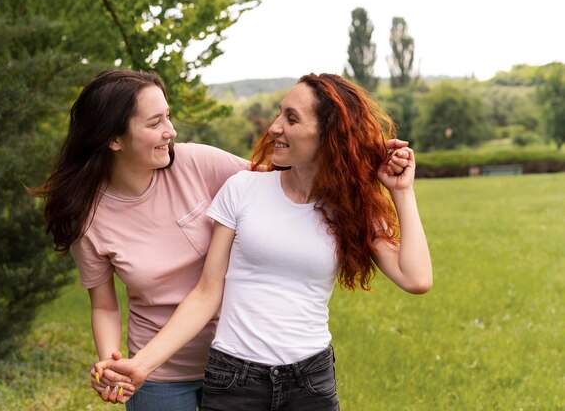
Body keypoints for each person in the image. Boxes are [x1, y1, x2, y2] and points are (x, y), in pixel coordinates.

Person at [32, 69, 410, 410]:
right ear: (113, 140)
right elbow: (104, 306)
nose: (171, 131)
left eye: (168, 116)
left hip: (243, 362)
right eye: (155, 122)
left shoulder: (200, 163)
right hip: (160, 370)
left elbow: (292, 180)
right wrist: (116, 364)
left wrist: (368, 158)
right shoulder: (90, 219)